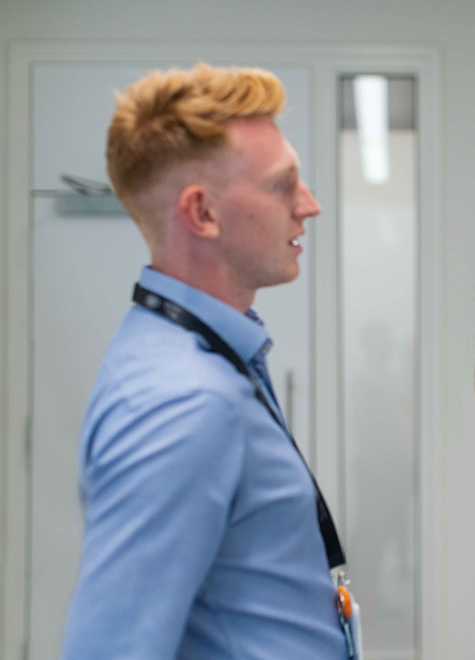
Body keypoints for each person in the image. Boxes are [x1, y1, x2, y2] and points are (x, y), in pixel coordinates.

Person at [62, 64, 351, 659]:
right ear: (202, 213)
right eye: (284, 184)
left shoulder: (201, 355)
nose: (310, 205)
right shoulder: (182, 402)